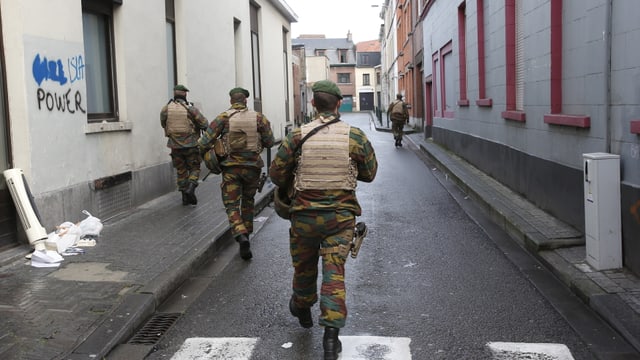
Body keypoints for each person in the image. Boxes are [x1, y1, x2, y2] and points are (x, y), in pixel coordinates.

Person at [269, 80, 378, 360]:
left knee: (304, 266)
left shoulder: (296, 136)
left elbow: (277, 176)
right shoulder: (354, 136)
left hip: (304, 216)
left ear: (313, 104)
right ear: (338, 103)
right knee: (334, 275)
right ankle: (331, 339)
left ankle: (303, 308)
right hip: (340, 219)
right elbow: (369, 173)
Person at [197, 87, 274, 260]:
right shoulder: (259, 118)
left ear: (231, 101)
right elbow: (270, 142)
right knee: (248, 201)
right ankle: (247, 233)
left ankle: (240, 234)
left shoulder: (223, 118)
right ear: (245, 101)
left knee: (232, 205)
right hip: (253, 168)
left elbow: (203, 142)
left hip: (231, 169)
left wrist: (211, 157)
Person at [160, 84, 209, 205]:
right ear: (185, 94)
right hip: (191, 145)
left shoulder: (166, 109)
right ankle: (191, 188)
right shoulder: (190, 109)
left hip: (174, 146)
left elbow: (163, 123)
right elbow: (204, 124)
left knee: (181, 170)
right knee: (194, 168)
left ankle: (184, 198)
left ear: (174, 94)